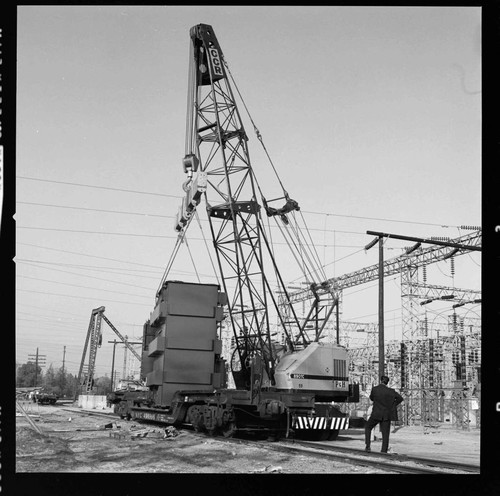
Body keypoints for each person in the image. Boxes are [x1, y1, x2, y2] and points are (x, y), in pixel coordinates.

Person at [365, 375, 403, 453]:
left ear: (380, 380)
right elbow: (400, 398)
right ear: (387, 382)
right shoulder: (391, 391)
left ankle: (368, 446)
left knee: (368, 427)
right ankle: (384, 450)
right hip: (386, 414)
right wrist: (393, 404)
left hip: (376, 413)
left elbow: (371, 398)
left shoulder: (375, 389)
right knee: (385, 433)